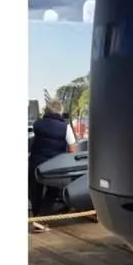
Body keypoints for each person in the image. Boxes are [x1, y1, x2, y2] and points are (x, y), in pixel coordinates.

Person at [29, 95, 77, 232]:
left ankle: (36, 218)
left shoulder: (37, 124)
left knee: (35, 191)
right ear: (60, 111)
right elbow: (72, 149)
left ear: (47, 110)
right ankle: (41, 219)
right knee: (53, 190)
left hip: (36, 163)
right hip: (54, 166)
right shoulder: (65, 127)